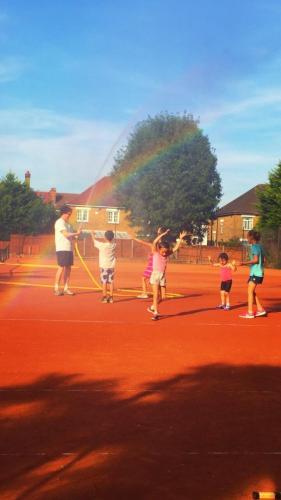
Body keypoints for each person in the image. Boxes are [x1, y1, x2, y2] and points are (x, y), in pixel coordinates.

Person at [147, 228, 187, 320]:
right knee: (156, 294)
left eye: (166, 251)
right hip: (155, 275)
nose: (164, 253)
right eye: (163, 251)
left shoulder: (167, 254)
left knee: (163, 297)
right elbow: (154, 242)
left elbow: (176, 248)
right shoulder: (155, 253)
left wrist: (180, 239)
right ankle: (156, 313)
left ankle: (152, 307)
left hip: (162, 276)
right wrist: (163, 234)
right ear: (159, 249)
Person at [239, 230, 266, 319]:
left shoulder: (254, 247)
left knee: (250, 291)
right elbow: (264, 260)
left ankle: (250, 312)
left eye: (247, 237)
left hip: (256, 273)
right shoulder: (260, 247)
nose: (247, 239)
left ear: (251, 238)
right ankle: (260, 309)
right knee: (252, 291)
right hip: (259, 272)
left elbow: (256, 260)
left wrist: (243, 263)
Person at [54, 205, 81, 296]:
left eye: (70, 214)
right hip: (62, 248)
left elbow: (72, 235)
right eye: (68, 214)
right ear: (63, 213)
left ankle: (66, 288)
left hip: (69, 249)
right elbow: (65, 234)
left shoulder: (69, 224)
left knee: (68, 268)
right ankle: (56, 288)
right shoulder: (59, 222)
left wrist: (77, 234)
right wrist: (75, 233)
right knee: (61, 267)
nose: (69, 215)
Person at [135, 226, 168, 299]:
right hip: (152, 267)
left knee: (144, 278)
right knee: (156, 281)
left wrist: (134, 238)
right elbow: (158, 241)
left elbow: (143, 242)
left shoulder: (155, 249)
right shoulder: (157, 249)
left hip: (152, 267)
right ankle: (159, 294)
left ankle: (144, 293)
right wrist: (159, 233)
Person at [91, 230, 116, 303]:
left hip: (104, 266)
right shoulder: (114, 245)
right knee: (111, 282)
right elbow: (111, 241)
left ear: (105, 237)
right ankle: (111, 297)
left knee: (104, 282)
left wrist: (92, 234)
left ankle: (104, 297)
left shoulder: (102, 245)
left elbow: (94, 241)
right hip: (111, 266)